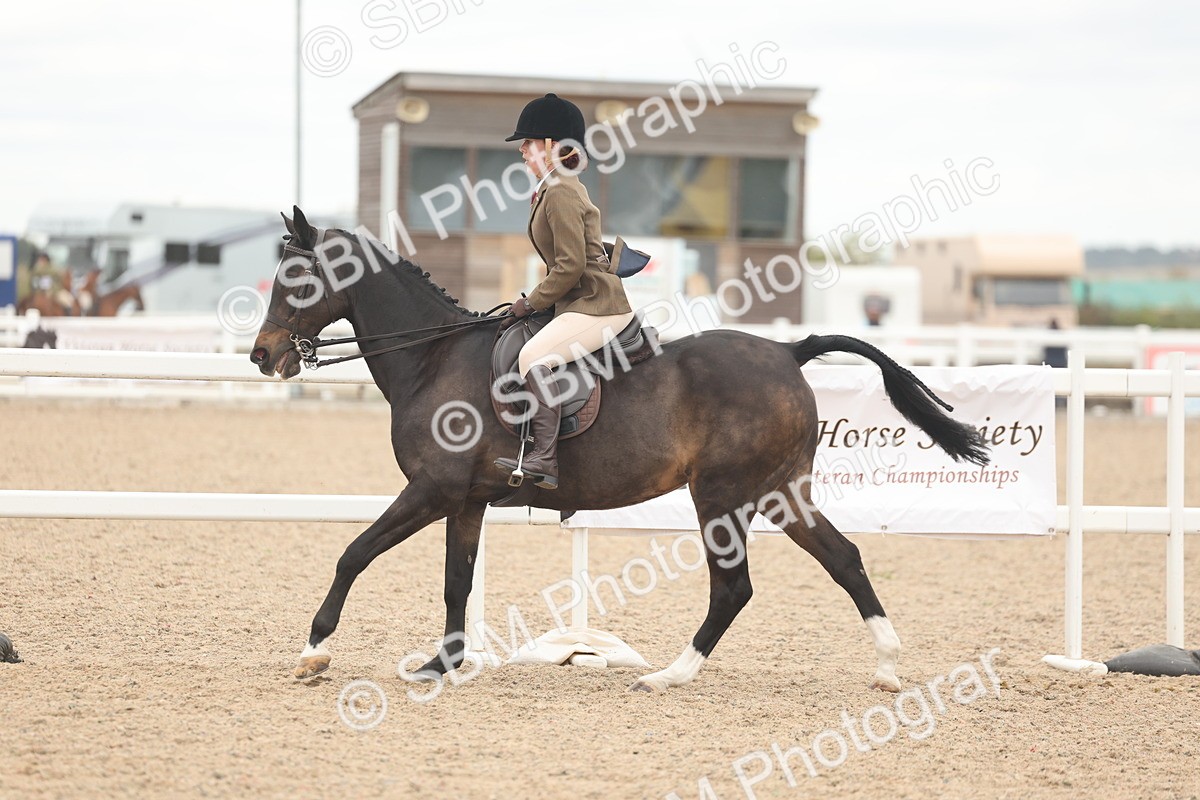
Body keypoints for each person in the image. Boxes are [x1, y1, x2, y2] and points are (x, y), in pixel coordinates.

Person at [494, 93, 636, 490]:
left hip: (596, 304)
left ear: (553, 145)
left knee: (533, 357)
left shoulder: (559, 191)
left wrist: (531, 302)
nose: (522, 150)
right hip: (578, 301)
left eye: (529, 142)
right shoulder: (554, 187)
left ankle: (545, 458)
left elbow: (570, 266)